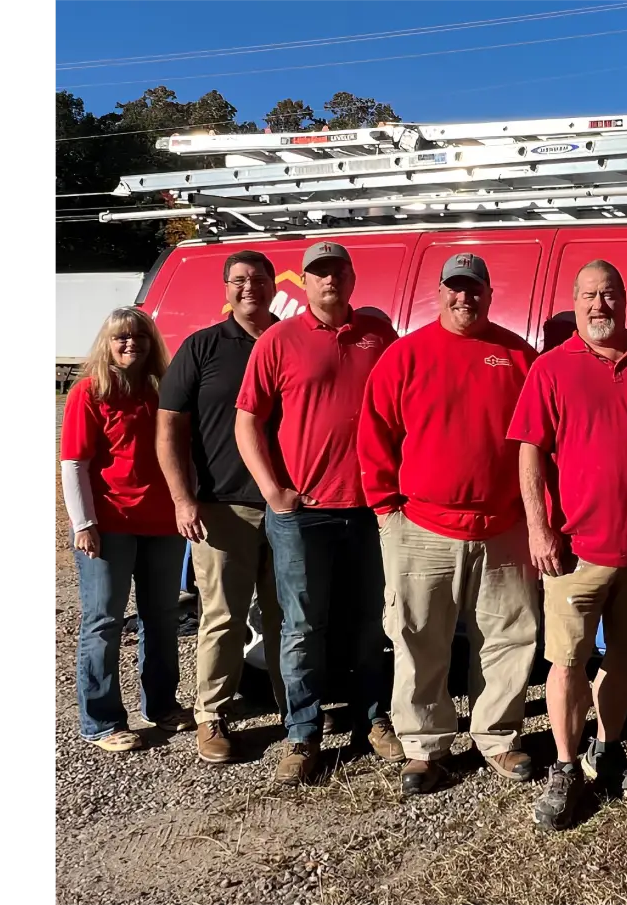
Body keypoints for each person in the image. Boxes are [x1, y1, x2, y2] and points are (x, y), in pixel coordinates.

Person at [359, 252, 542, 794]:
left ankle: (499, 738)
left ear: (489, 293)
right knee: (419, 639)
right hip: (421, 526)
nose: (465, 298)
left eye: (475, 288)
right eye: (455, 289)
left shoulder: (515, 355)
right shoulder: (405, 355)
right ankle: (423, 746)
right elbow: (375, 433)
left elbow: (538, 439)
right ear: (439, 293)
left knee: (509, 638)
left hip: (503, 526)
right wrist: (386, 508)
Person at [235, 241, 405, 782]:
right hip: (303, 513)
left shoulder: (380, 336)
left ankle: (375, 721)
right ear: (303, 283)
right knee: (304, 626)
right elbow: (247, 422)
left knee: (368, 623)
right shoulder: (278, 341)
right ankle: (303, 735)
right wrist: (273, 490)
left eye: (338, 272)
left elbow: (409, 409)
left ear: (353, 279)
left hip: (371, 509)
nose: (329, 281)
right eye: (318, 274)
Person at [507, 261, 627, 829]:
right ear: (574, 302)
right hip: (575, 549)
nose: (601, 306)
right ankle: (567, 768)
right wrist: (538, 527)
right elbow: (528, 451)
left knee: (625, 655)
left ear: (626, 300)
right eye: (590, 295)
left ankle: (610, 751)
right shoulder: (551, 368)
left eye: (611, 295)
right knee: (568, 661)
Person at [157, 249, 290, 764]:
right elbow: (168, 428)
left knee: (289, 618)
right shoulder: (203, 347)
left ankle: (295, 710)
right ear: (226, 289)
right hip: (222, 509)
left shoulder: (290, 341)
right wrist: (181, 498)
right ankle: (212, 715)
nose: (249, 288)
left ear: (274, 285)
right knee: (223, 618)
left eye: (258, 279)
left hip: (291, 506)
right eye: (239, 280)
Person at [61, 306, 192, 752]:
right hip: (109, 526)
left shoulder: (163, 390)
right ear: (107, 343)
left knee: (161, 619)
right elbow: (74, 463)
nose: (130, 344)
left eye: (139, 336)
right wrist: (84, 524)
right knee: (103, 622)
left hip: (162, 525)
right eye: (121, 337)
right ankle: (101, 721)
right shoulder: (89, 393)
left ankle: (161, 704)